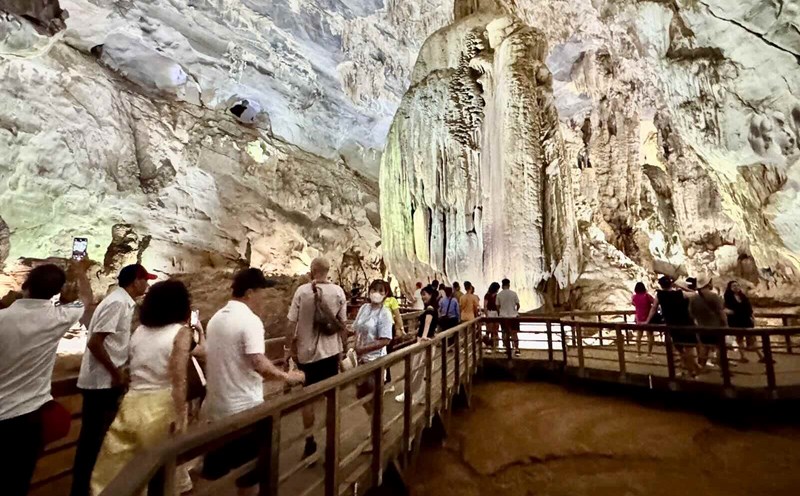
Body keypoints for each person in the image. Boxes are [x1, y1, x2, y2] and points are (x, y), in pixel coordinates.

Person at [202, 269, 304, 495]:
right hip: (245, 410)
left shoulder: (216, 319)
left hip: (217, 409)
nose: (264, 299)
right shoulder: (250, 321)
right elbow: (258, 362)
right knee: (250, 477)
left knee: (221, 474)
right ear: (249, 293)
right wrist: (288, 377)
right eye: (262, 292)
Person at [0, 262, 92, 496]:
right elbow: (87, 300)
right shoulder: (58, 317)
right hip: (29, 419)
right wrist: (80, 271)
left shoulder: (2, 318)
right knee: (18, 483)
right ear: (56, 292)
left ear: (25, 285)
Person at [71, 264, 156, 496]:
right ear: (135, 281)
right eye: (144, 280)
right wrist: (115, 372)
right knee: (93, 442)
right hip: (101, 383)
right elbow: (95, 342)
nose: (147, 284)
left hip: (105, 381)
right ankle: (82, 490)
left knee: (98, 440)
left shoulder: (122, 302)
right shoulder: (117, 303)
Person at [287, 258, 347, 461]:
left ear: (312, 271)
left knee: (308, 400)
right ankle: (332, 442)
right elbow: (342, 325)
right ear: (328, 271)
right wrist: (344, 350)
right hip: (330, 354)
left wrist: (288, 349)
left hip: (306, 355)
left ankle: (310, 439)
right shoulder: (338, 292)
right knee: (332, 398)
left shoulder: (302, 292)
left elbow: (291, 323)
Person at [353, 280, 394, 415]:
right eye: (373, 290)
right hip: (359, 360)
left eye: (380, 291)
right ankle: (374, 421)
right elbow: (355, 327)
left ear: (385, 293)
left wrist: (364, 349)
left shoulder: (385, 313)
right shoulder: (364, 308)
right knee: (361, 394)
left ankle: (378, 426)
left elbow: (386, 340)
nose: (376, 294)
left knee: (374, 395)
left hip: (375, 360)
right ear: (369, 291)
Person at [647, 275, 699, 377]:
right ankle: (693, 369)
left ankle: (690, 369)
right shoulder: (680, 294)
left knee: (680, 348)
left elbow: (653, 309)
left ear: (661, 285)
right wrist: (682, 287)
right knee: (688, 348)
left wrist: (647, 321)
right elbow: (695, 294)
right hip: (685, 323)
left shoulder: (660, 295)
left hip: (672, 324)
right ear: (671, 284)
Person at [395, 285, 439, 404]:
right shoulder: (433, 307)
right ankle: (420, 396)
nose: (423, 297)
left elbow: (428, 323)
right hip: (430, 341)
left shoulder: (429, 308)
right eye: (422, 295)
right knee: (424, 370)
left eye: (424, 294)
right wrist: (416, 333)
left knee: (416, 369)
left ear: (430, 295)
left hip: (424, 342)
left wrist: (423, 337)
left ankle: (410, 394)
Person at [688, 275, 726, 370]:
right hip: (716, 327)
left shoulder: (693, 298)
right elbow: (721, 312)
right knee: (720, 348)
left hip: (702, 327)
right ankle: (723, 370)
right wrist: (726, 324)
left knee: (704, 347)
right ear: (709, 284)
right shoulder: (713, 296)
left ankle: (702, 366)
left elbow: (691, 314)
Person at [724, 280, 768, 364]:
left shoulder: (743, 296)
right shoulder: (728, 297)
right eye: (734, 286)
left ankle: (761, 356)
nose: (736, 287)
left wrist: (752, 317)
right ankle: (743, 356)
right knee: (739, 339)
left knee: (751, 338)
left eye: (737, 285)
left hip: (745, 320)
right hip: (735, 321)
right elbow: (725, 308)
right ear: (730, 288)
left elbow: (748, 308)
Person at [382, 281, 405, 393]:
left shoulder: (392, 300)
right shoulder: (379, 301)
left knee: (386, 355)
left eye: (381, 289)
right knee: (380, 356)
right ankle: (383, 381)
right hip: (378, 331)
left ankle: (388, 382)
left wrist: (399, 329)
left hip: (388, 329)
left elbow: (397, 315)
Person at [496, 279, 521, 356]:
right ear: (509, 285)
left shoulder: (499, 294)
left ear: (502, 285)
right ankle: (516, 349)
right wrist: (515, 310)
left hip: (503, 316)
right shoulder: (513, 293)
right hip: (513, 316)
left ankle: (507, 349)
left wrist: (500, 312)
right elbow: (518, 304)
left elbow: (497, 306)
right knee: (514, 333)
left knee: (504, 333)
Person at [632, 282, 655, 357]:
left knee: (639, 335)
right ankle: (649, 353)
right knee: (650, 335)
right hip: (648, 317)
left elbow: (633, 303)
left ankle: (638, 352)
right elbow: (654, 302)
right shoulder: (647, 296)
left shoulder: (634, 297)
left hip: (639, 318)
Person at [483, 282, 501, 354]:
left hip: (495, 313)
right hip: (490, 312)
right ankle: (489, 347)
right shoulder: (487, 295)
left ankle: (495, 346)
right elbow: (485, 306)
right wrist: (486, 315)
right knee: (489, 330)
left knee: (495, 330)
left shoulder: (497, 296)